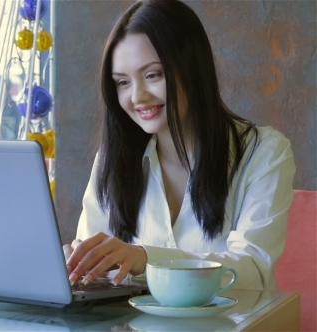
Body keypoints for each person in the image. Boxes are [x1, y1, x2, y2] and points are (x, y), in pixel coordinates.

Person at [63, 0, 295, 291]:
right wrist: (80, 263)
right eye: (123, 82)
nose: (137, 97)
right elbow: (95, 272)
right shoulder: (113, 161)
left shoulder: (264, 152)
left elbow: (251, 270)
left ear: (192, 68)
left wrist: (145, 258)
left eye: (153, 75)